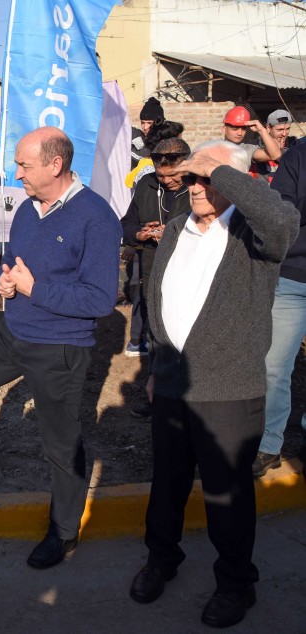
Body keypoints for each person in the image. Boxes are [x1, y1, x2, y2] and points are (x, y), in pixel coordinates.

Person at [0, 127, 122, 570]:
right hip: (10, 331)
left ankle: (63, 533)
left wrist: (36, 289)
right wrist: (6, 280)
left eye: (24, 166)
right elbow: (14, 262)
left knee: (60, 444)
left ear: (56, 165)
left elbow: (99, 299)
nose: (16, 174)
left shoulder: (96, 217)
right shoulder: (26, 209)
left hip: (59, 347)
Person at [129, 141, 299, 628]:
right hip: (173, 385)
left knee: (227, 497)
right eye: (195, 177)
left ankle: (236, 583)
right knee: (167, 486)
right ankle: (162, 559)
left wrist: (219, 170)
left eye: (209, 178)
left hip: (229, 391)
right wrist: (158, 370)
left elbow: (284, 219)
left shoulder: (255, 236)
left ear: (235, 181)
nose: (197, 186)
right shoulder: (178, 229)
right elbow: (160, 303)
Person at [252, 139, 306, 476]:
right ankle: (268, 445)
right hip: (292, 280)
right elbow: (278, 210)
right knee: (273, 367)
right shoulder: (297, 156)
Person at [120, 138, 192, 364]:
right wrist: (138, 235)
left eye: (173, 175)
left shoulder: (199, 188)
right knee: (157, 325)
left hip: (188, 271)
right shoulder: (146, 185)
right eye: (161, 175)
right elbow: (127, 223)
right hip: (153, 269)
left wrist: (173, 234)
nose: (167, 180)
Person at [252, 109, 299, 182]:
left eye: (287, 129)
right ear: (268, 128)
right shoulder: (256, 145)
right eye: (280, 130)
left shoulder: (294, 144)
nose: (284, 134)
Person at [131, 97, 165, 169]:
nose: (145, 127)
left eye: (149, 123)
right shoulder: (136, 135)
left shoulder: (165, 142)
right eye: (143, 123)